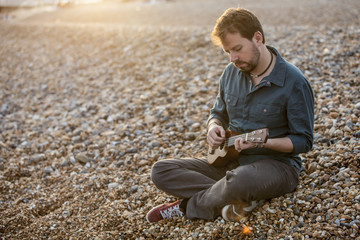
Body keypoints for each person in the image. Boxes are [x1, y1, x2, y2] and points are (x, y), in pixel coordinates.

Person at [146, 7, 314, 223]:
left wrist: (265, 143)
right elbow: (217, 113)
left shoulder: (294, 82)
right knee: (161, 170)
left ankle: (188, 206)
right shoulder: (230, 73)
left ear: (258, 38)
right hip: (229, 162)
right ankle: (231, 198)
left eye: (237, 49)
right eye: (227, 52)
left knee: (240, 180)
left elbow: (304, 141)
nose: (233, 58)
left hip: (276, 166)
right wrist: (213, 127)